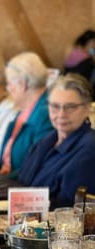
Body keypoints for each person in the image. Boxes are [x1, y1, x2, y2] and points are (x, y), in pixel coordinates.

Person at [18, 73, 95, 209]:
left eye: (70, 107)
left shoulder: (90, 148)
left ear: (87, 108)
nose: (61, 114)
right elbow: (21, 184)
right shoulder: (46, 141)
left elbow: (68, 207)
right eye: (55, 106)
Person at [0, 52, 54, 179]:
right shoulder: (25, 110)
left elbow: (37, 165)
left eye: (9, 83)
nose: (8, 89)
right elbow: (3, 163)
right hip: (7, 182)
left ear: (22, 85)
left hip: (21, 188)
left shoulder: (45, 113)